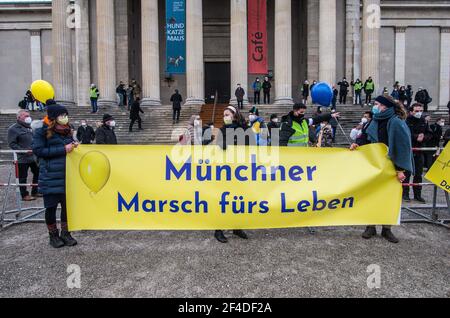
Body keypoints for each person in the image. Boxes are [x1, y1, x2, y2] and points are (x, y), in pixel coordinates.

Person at [350, 95, 414, 244]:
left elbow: (402, 147)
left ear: (385, 106)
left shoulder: (396, 122)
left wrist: (400, 169)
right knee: (371, 195)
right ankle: (370, 226)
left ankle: (387, 228)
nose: (375, 106)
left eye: (377, 104)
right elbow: (364, 137)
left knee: (388, 197)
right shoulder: (374, 121)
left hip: (391, 166)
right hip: (374, 165)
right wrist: (357, 144)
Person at [32, 104, 78, 248]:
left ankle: (66, 233)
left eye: (65, 115)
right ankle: (53, 236)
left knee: (67, 208)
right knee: (51, 208)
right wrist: (63, 149)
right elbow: (39, 151)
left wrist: (75, 146)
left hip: (67, 176)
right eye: (62, 115)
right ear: (54, 117)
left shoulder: (68, 131)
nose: (65, 118)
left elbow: (69, 150)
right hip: (50, 176)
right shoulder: (42, 132)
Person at [214, 105, 250, 243]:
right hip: (226, 170)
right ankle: (218, 230)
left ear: (235, 115)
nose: (225, 117)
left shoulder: (245, 128)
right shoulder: (223, 129)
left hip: (240, 169)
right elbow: (218, 145)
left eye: (227, 114)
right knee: (223, 200)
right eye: (224, 115)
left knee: (239, 199)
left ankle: (237, 227)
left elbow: (250, 145)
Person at [8, 110, 39, 201]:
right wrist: (23, 151)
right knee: (22, 177)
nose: (28, 117)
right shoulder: (13, 129)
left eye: (28, 115)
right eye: (26, 116)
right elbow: (12, 144)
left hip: (33, 157)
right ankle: (24, 194)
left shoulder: (30, 127)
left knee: (38, 173)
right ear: (19, 118)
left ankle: (35, 191)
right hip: (22, 158)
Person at [403, 103, 430, 203]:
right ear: (411, 112)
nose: (419, 113)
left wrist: (424, 138)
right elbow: (405, 134)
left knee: (418, 174)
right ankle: (405, 194)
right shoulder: (406, 121)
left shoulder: (423, 121)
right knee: (407, 173)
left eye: (420, 111)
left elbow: (429, 134)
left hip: (419, 150)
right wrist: (415, 137)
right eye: (416, 111)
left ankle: (417, 194)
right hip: (408, 151)